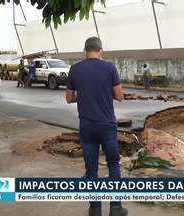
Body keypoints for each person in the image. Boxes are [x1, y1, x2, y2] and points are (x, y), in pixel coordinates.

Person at [65, 37, 127, 216]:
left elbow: (69, 98)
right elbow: (120, 96)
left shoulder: (75, 69)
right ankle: (115, 208)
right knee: (113, 165)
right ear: (101, 50)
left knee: (91, 168)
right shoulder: (109, 67)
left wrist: (82, 95)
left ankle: (94, 209)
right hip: (107, 126)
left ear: (85, 50)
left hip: (87, 127)